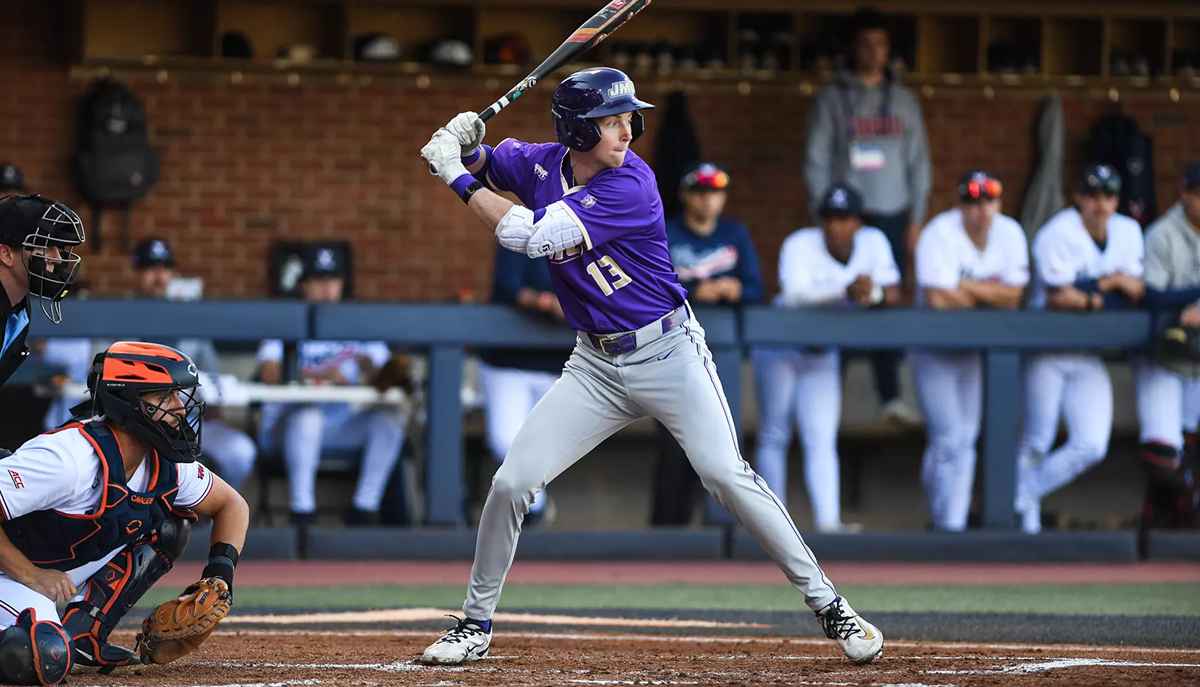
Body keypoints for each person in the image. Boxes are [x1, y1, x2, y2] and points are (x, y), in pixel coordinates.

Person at [418, 66, 883, 666]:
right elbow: (492, 165)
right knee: (511, 482)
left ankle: (830, 605)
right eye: (610, 122)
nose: (626, 132)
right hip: (594, 363)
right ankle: (474, 624)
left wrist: (452, 173)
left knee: (725, 474)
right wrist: (466, 146)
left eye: (627, 119)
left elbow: (528, 237)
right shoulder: (539, 161)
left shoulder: (632, 186)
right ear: (575, 132)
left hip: (668, 352)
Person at [0, 341, 248, 682]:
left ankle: (84, 632)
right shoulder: (69, 458)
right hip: (12, 571)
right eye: (165, 396)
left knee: (172, 522)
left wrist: (219, 578)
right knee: (43, 655)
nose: (179, 407)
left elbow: (232, 504)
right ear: (129, 402)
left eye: (179, 395)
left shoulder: (166, 464)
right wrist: (30, 575)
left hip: (48, 567)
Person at [38, 239, 259, 489]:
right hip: (128, 426)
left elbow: (214, 387)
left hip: (183, 424)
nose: (159, 277)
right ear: (136, 273)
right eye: (151, 269)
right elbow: (95, 379)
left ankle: (202, 517)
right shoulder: (115, 318)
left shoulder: (191, 322)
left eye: (165, 269)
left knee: (240, 452)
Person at [804, 7, 930, 427]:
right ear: (853, 48)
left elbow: (920, 163)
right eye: (865, 43)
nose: (872, 52)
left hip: (894, 210)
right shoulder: (833, 97)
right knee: (840, 293)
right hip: (846, 212)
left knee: (886, 298)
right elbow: (816, 160)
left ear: (888, 49)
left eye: (880, 44)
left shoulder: (905, 100)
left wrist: (917, 218)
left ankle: (890, 394)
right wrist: (824, 213)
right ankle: (830, 386)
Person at [751, 184, 900, 533]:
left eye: (845, 219)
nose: (836, 227)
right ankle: (773, 526)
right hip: (781, 347)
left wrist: (873, 293)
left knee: (821, 436)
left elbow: (893, 291)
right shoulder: (800, 244)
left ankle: (828, 522)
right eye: (830, 219)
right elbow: (795, 294)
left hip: (822, 352)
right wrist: (845, 290)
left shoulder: (874, 242)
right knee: (774, 432)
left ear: (858, 222)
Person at [1017, 164, 1144, 534]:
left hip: (1089, 354)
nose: (1101, 204)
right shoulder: (1057, 232)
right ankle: (1023, 521)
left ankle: (1021, 495)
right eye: (1093, 195)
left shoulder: (1128, 230)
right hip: (1049, 349)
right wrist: (1112, 285)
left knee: (1091, 444)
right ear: (1079, 197)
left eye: (1108, 196)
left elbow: (1136, 293)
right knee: (1037, 440)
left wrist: (1089, 291)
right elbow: (1058, 295)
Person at [911, 171, 1029, 532]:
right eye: (973, 201)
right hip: (934, 351)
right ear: (959, 204)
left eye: (989, 200)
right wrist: (987, 293)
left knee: (964, 440)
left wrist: (965, 286)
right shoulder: (938, 232)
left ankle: (951, 526)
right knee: (948, 439)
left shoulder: (1010, 232)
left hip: (977, 353)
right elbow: (938, 298)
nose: (982, 209)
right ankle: (942, 521)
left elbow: (1013, 298)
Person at [256, 247, 407, 527]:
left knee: (390, 419)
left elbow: (387, 375)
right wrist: (319, 374)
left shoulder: (356, 325)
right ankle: (302, 513)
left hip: (338, 426)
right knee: (308, 415)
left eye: (333, 280)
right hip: (285, 429)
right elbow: (268, 371)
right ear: (304, 286)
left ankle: (363, 509)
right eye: (319, 280)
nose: (327, 288)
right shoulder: (285, 319)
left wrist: (371, 370)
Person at [652, 161, 763, 526]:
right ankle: (667, 534)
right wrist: (697, 291)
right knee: (674, 447)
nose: (708, 200)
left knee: (719, 447)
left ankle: (718, 529)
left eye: (715, 192)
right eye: (700, 192)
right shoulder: (665, 231)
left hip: (722, 356)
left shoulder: (736, 233)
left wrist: (735, 290)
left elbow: (757, 288)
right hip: (670, 352)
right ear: (685, 195)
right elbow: (651, 287)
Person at [476, 245, 571, 528]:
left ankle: (529, 512)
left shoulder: (589, 235)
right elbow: (507, 287)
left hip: (560, 362)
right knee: (505, 441)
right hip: (508, 361)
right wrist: (545, 301)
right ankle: (536, 510)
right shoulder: (521, 231)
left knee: (546, 448)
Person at [1134, 162, 1200, 529]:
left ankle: (1171, 519)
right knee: (1163, 455)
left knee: (1185, 448)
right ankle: (1168, 517)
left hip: (1197, 360)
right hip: (1164, 356)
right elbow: (1151, 296)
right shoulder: (1163, 234)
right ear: (1186, 193)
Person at [0, 194, 85, 397]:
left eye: (58, 247)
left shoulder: (20, 309)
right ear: (6, 254)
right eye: (44, 246)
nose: (56, 258)